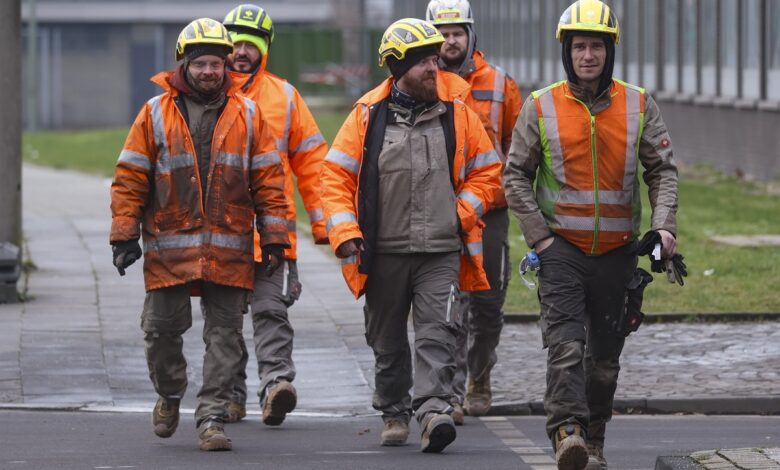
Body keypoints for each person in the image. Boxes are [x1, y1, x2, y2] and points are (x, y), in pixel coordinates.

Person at [503, 1, 679, 469]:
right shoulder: (540, 106)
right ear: (567, 51)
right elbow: (514, 175)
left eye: (596, 46)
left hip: (618, 254)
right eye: (579, 46)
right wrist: (540, 237)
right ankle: (568, 434)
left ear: (609, 51)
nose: (587, 55)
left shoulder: (638, 103)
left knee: (603, 363)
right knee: (565, 348)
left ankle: (594, 440)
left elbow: (662, 171)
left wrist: (664, 225)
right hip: (561, 251)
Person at [321, 18, 502, 453]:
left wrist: (458, 215)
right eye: (424, 62)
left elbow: (488, 173)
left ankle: (434, 411)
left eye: (435, 60)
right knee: (386, 342)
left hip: (440, 251)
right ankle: (394, 410)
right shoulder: (367, 115)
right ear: (398, 67)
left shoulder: (458, 113)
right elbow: (335, 178)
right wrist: (345, 231)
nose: (434, 68)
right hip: (383, 253)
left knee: (438, 334)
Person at [109, 17, 289, 452]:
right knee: (160, 334)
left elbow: (270, 181)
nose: (209, 71)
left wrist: (275, 236)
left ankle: (212, 418)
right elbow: (130, 176)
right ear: (184, 65)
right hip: (169, 248)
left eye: (216, 64)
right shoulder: (155, 113)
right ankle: (170, 394)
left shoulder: (248, 114)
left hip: (230, 247)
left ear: (226, 66)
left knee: (226, 338)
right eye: (200, 64)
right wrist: (124, 234)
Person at [220, 3, 328, 427]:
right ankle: (230, 395)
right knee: (225, 321)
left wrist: (325, 225)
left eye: (252, 44)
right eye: (236, 43)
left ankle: (276, 386)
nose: (242, 51)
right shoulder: (207, 92)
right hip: (222, 234)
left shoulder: (285, 97)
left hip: (274, 233)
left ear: (265, 49)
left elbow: (313, 165)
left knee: (271, 312)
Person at [425, 0, 522, 423]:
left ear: (470, 35)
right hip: (442, 211)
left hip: (490, 212)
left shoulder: (500, 84)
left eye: (457, 33)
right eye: (443, 35)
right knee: (449, 303)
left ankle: (479, 378)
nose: (450, 41)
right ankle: (449, 391)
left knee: (487, 303)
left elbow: (518, 146)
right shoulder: (421, 80)